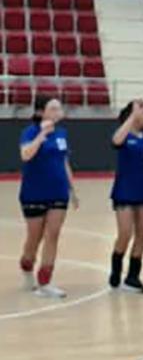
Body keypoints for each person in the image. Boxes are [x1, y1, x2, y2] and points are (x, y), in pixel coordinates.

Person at [19, 96, 77, 298]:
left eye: (59, 108)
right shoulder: (30, 132)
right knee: (34, 238)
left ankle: (45, 282)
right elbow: (26, 155)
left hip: (58, 191)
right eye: (53, 108)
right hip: (33, 192)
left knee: (53, 234)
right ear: (41, 112)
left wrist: (72, 189)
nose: (58, 111)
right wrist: (42, 134)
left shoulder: (62, 133)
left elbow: (64, 161)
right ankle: (27, 265)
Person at [109, 99, 143, 293]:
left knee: (142, 233)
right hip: (125, 190)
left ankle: (133, 277)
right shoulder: (124, 134)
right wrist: (132, 117)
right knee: (125, 233)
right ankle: (116, 269)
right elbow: (115, 141)